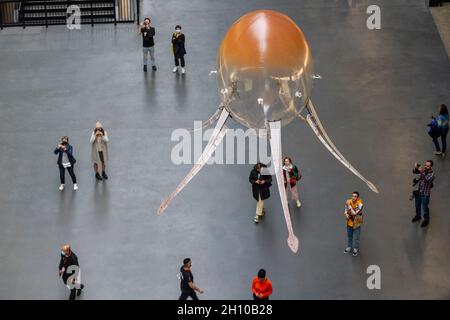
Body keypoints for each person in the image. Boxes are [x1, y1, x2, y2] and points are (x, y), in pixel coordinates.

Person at [411, 160, 435, 227]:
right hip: (418, 192)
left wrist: (421, 171)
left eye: (428, 166)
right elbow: (414, 171)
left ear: (431, 167)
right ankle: (418, 215)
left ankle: (426, 220)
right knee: (417, 205)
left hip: (425, 194)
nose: (426, 166)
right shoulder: (424, 170)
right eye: (425, 165)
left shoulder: (432, 175)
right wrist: (416, 167)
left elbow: (427, 179)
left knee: (425, 208)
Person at [344, 192, 363, 257]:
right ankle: (349, 247)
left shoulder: (360, 204)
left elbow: (354, 213)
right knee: (349, 236)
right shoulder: (348, 201)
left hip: (357, 223)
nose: (353, 197)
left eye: (355, 196)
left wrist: (349, 206)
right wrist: (346, 214)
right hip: (349, 222)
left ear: (357, 198)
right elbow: (346, 210)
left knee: (356, 238)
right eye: (352, 196)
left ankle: (355, 249)